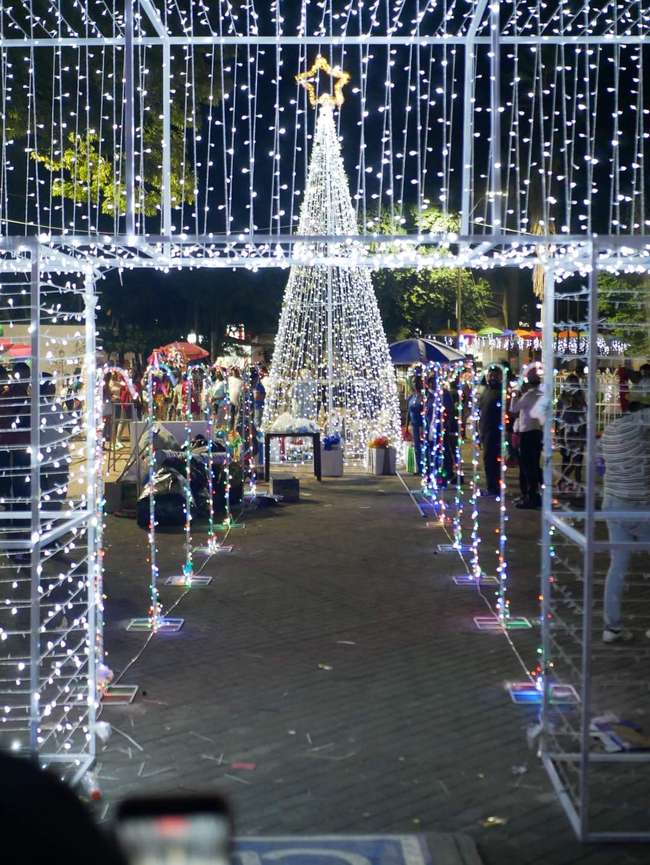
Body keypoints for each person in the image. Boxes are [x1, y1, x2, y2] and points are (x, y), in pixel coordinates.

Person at [600, 383, 650, 643]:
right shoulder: (642, 423)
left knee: (617, 566)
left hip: (613, 504)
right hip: (641, 505)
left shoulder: (611, 429)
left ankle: (612, 627)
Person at [510, 364, 544, 509]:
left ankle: (530, 496)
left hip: (527, 433)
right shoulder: (541, 395)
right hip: (537, 433)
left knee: (526, 466)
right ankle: (532, 494)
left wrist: (514, 394)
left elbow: (513, 409)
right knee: (534, 465)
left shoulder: (528, 395)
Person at [556, 374, 586, 492]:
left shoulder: (579, 397)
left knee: (577, 461)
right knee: (570, 461)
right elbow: (559, 417)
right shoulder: (565, 399)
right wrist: (559, 433)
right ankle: (563, 483)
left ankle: (575, 484)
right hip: (569, 432)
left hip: (578, 432)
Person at [479, 365, 503, 497]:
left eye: (495, 376)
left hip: (495, 431)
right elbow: (481, 411)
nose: (492, 378)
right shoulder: (486, 392)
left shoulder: (500, 393)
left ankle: (493, 487)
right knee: (488, 460)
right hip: (485, 430)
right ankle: (492, 486)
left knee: (493, 460)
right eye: (490, 375)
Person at [405, 379, 425, 475]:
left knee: (422, 446)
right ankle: (419, 468)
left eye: (416, 382)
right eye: (413, 382)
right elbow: (408, 412)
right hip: (413, 425)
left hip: (421, 425)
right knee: (416, 447)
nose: (415, 384)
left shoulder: (423, 397)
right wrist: (406, 426)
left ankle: (425, 467)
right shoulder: (411, 397)